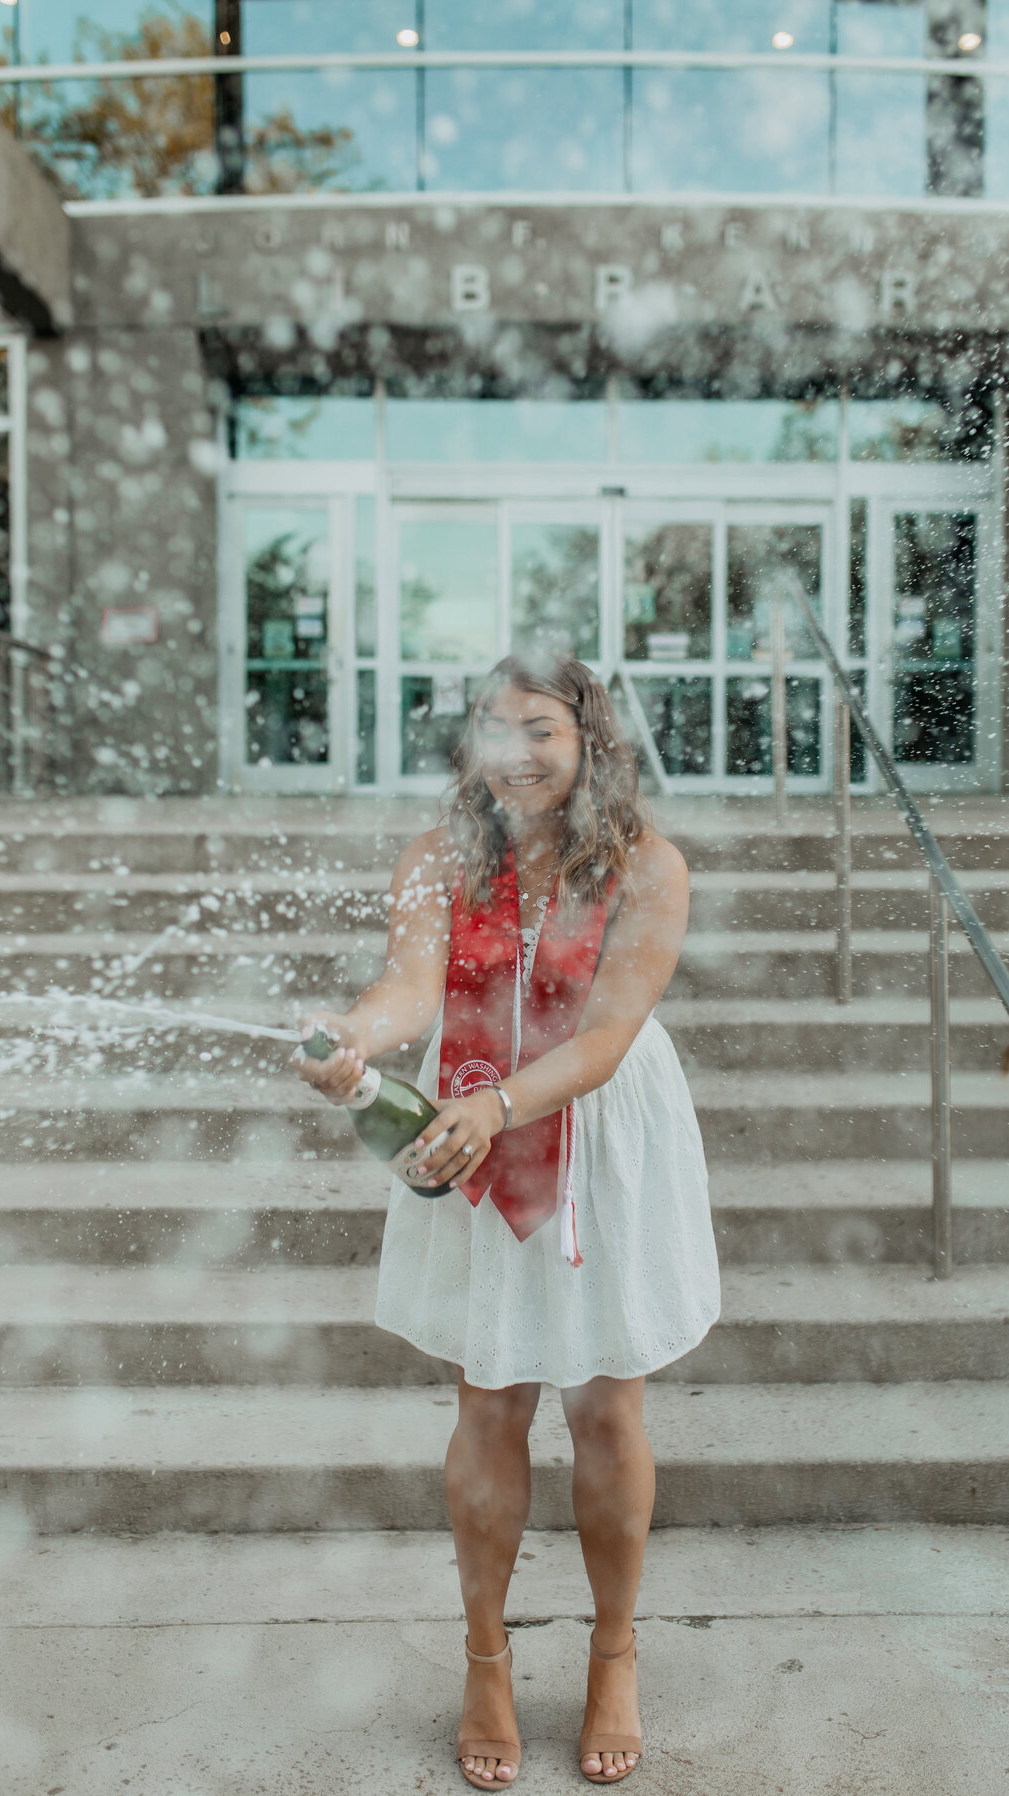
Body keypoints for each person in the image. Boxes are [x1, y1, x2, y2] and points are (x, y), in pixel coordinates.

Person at [294, 653, 720, 1787]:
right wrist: (355, 1037)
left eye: (540, 729)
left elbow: (605, 1039)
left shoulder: (647, 868)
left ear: (588, 741)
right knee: (491, 1400)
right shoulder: (440, 858)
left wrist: (493, 1104)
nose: (518, 754)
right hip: (472, 1119)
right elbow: (413, 990)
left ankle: (613, 1650)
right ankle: (485, 1657)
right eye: (495, 729)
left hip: (597, 1136)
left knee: (608, 1408)